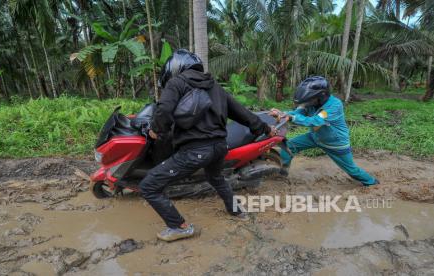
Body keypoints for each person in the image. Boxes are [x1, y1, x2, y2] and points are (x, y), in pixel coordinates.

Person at [140, 49, 276, 242]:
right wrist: (266, 129)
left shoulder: (176, 83)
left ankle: (179, 227)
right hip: (220, 147)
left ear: (175, 67)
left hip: (195, 151)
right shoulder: (216, 88)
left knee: (148, 186)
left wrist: (156, 130)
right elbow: (243, 114)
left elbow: (163, 111)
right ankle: (238, 212)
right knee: (216, 177)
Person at [269, 76, 379, 186]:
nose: (306, 102)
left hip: (335, 142)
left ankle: (372, 183)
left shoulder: (334, 105)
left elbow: (316, 121)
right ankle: (282, 174)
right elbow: (297, 113)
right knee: (288, 146)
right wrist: (282, 114)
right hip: (315, 136)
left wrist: (292, 118)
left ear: (321, 96)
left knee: (352, 170)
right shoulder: (310, 103)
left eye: (309, 99)